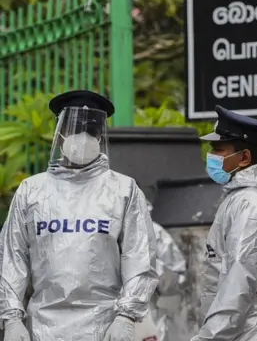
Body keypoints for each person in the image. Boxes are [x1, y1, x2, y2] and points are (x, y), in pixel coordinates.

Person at [0, 90, 158, 341]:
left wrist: (126, 317)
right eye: (75, 128)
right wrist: (11, 318)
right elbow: (11, 257)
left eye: (92, 129)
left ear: (101, 134)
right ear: (60, 132)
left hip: (106, 327)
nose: (83, 137)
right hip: (43, 328)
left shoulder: (123, 190)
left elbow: (140, 258)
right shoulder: (32, 191)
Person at [192, 105, 257, 341]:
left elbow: (239, 281)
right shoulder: (243, 198)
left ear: (244, 157)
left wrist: (208, 337)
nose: (212, 156)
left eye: (219, 149)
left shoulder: (252, 205)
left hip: (251, 332)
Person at [143, 197, 187, 341]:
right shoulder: (99, 230)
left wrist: (152, 268)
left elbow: (177, 274)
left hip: (146, 315)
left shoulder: (153, 232)